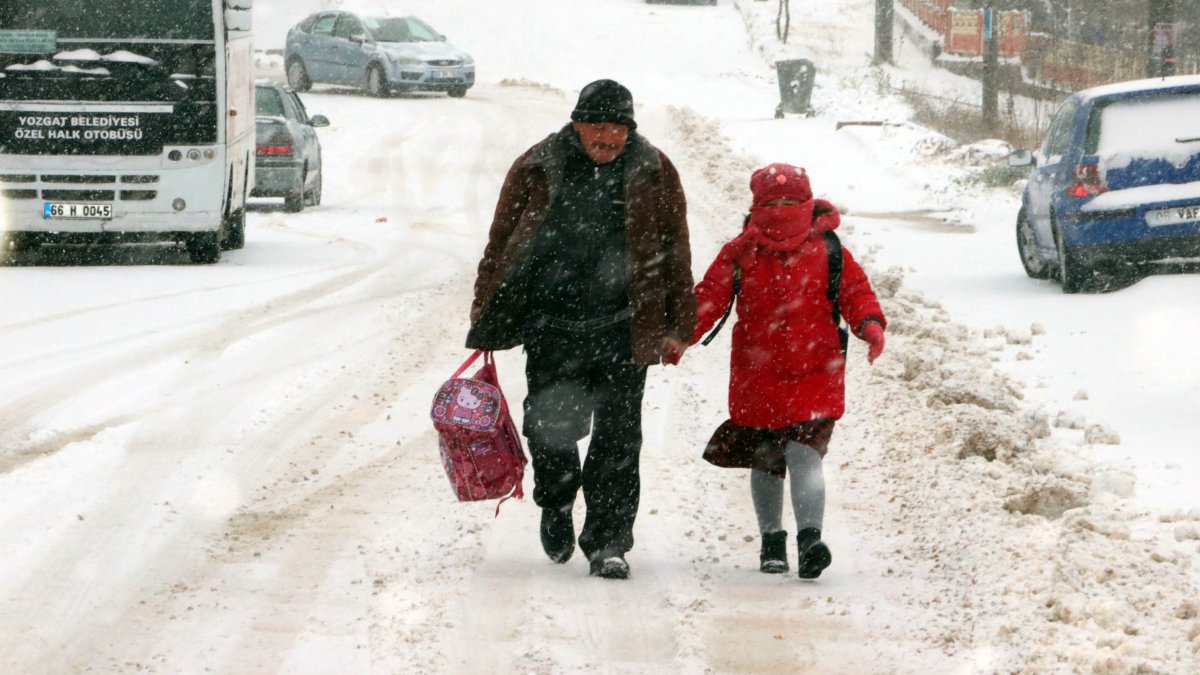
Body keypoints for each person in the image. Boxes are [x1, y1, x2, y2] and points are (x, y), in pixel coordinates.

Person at [467, 79, 697, 580]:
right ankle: (556, 502)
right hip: (553, 325)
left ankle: (608, 541)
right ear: (577, 123)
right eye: (599, 126)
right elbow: (502, 241)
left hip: (623, 328)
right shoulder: (539, 165)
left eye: (619, 128)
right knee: (552, 430)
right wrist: (487, 310)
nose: (609, 138)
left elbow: (675, 246)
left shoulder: (653, 170)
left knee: (618, 442)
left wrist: (679, 323)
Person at [691, 163, 885, 580]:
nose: (781, 210)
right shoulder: (740, 250)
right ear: (756, 206)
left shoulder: (830, 248)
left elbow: (855, 291)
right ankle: (771, 542)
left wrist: (870, 324)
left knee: (804, 455)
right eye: (771, 203)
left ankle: (810, 540)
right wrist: (681, 336)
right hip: (757, 373)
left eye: (791, 202)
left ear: (808, 203)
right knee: (766, 461)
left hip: (814, 370)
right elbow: (711, 294)